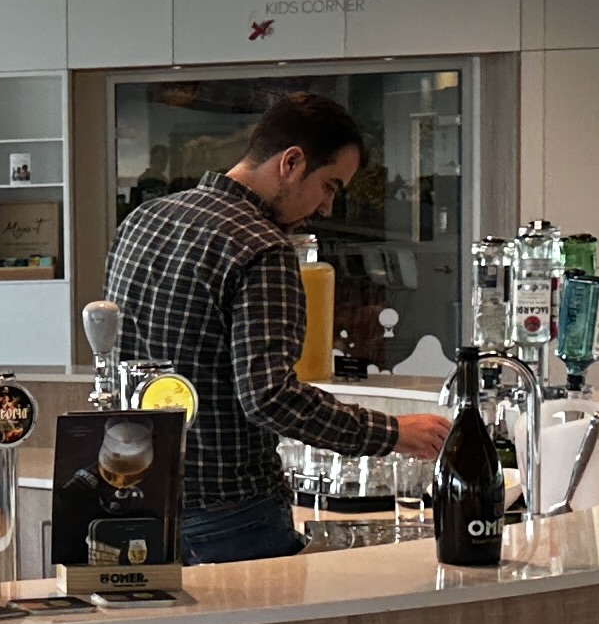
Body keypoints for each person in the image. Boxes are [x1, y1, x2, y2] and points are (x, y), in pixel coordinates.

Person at [104, 91, 448, 566]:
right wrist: (392, 432)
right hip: (230, 517)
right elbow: (270, 398)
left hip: (135, 497)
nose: (326, 207)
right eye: (329, 186)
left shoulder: (144, 220)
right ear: (291, 162)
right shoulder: (261, 247)